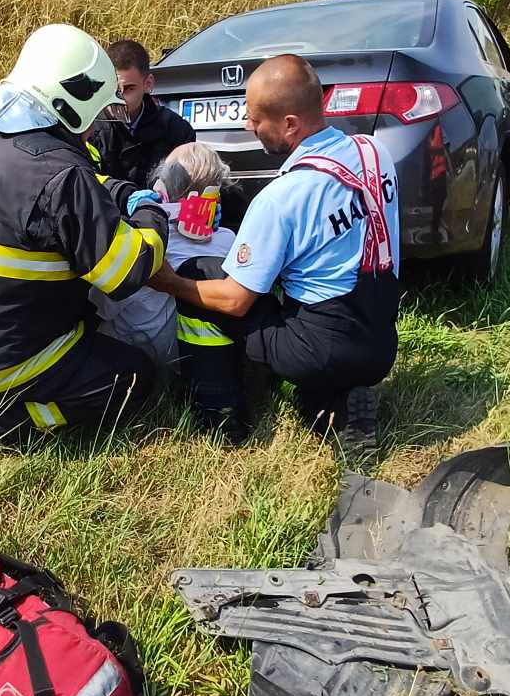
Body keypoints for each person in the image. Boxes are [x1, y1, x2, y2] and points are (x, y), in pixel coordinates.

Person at [0, 24, 171, 443]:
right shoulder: (61, 174)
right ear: (72, 105)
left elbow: (70, 193)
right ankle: (1, 423)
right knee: (134, 376)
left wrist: (120, 192)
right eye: (95, 112)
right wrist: (153, 212)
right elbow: (127, 271)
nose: (94, 127)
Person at [149, 54, 401, 453]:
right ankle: (336, 399)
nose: (248, 126)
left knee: (201, 273)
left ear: (290, 124)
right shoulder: (374, 154)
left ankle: (220, 416)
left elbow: (234, 301)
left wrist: (167, 280)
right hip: (380, 334)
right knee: (316, 378)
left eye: (255, 118)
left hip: (319, 344)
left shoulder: (282, 196)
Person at [92, 141, 237, 366]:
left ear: (160, 187)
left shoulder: (140, 243)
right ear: (215, 193)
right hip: (197, 358)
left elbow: (100, 306)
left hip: (142, 356)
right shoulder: (229, 241)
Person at [87, 39, 195, 187]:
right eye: (113, 89)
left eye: (129, 88)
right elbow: (85, 184)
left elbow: (185, 190)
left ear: (148, 84)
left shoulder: (177, 131)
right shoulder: (88, 129)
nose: (119, 98)